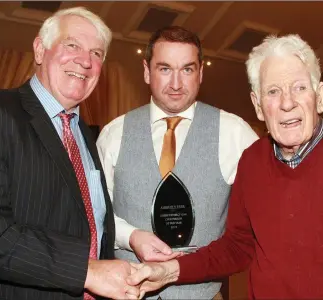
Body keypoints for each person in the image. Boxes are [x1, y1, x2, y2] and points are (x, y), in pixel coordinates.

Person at [0, 7, 140, 300]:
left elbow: (87, 221)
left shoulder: (85, 135)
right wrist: (87, 271)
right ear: (40, 50)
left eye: (97, 54)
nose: (85, 61)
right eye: (72, 45)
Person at [127, 34, 323, 299]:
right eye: (273, 92)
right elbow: (238, 247)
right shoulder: (252, 160)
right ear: (258, 106)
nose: (287, 103)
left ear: (319, 96)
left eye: (300, 87)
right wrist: (169, 271)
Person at [96, 26, 259, 299]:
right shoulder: (114, 133)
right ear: (147, 71)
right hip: (127, 293)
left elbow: (266, 210)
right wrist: (130, 236)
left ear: (200, 74)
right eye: (164, 69)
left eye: (187, 69)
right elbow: (96, 211)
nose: (175, 84)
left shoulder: (235, 132)